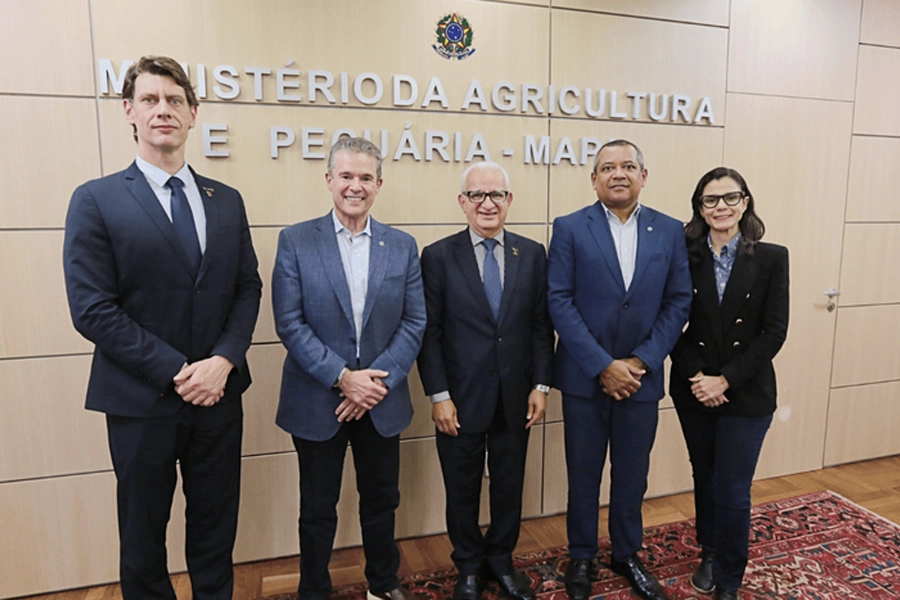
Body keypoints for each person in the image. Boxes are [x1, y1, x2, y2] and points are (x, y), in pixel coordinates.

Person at [63, 56, 262, 599]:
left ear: (193, 114)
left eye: (174, 100)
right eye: (150, 100)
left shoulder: (227, 200)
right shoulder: (96, 199)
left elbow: (247, 287)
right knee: (144, 536)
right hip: (139, 400)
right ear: (129, 111)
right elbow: (92, 308)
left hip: (219, 397)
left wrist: (222, 361)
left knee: (216, 528)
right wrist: (179, 370)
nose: (163, 110)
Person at [272, 136, 426, 600]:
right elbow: (289, 321)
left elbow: (415, 320)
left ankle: (383, 584)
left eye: (365, 177)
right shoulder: (296, 240)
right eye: (346, 176)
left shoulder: (401, 245)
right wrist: (343, 378)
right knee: (317, 508)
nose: (354, 186)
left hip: (382, 399)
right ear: (329, 181)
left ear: (379, 184)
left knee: (382, 502)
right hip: (319, 399)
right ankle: (313, 590)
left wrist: (374, 383)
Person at [547, 139, 692, 600]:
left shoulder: (670, 231)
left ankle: (627, 553)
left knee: (632, 474)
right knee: (583, 475)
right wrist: (602, 365)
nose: (618, 174)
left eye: (628, 166)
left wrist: (641, 361)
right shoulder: (570, 227)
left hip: (641, 381)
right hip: (584, 379)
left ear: (643, 176)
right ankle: (583, 556)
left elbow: (678, 301)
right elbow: (558, 301)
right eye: (607, 167)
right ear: (594, 179)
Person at [417, 162, 554, 600]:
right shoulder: (437, 256)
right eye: (477, 195)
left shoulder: (532, 254)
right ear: (463, 203)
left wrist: (541, 385)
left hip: (517, 396)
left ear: (510, 201)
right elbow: (430, 332)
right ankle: (469, 567)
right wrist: (439, 395)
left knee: (510, 485)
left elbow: (539, 325)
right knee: (462, 488)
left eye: (496, 194)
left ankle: (501, 560)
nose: (487, 203)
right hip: (459, 398)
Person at [669, 167, 789, 600]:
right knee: (705, 475)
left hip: (747, 391)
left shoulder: (772, 257)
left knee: (733, 488)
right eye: (710, 200)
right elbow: (670, 324)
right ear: (699, 208)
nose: (721, 207)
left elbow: (774, 331)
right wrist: (699, 377)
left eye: (730, 198)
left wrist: (725, 380)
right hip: (694, 386)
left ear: (745, 202)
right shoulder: (683, 254)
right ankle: (710, 551)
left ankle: (730, 578)